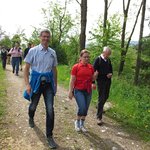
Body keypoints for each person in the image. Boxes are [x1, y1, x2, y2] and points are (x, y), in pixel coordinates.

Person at [23, 29, 58, 149]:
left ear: (50, 38)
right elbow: (26, 69)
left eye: (48, 37)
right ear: (40, 37)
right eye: (44, 36)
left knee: (50, 109)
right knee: (33, 106)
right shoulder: (33, 51)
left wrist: (55, 85)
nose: (46, 39)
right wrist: (27, 85)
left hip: (48, 84)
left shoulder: (52, 52)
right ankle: (31, 117)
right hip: (36, 83)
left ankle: (49, 136)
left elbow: (54, 70)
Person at [68, 49, 96, 132]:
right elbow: (72, 80)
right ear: (80, 57)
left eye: (88, 57)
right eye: (85, 57)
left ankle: (82, 124)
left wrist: (93, 83)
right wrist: (70, 91)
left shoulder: (91, 67)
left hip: (88, 90)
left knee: (86, 108)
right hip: (78, 90)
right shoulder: (76, 67)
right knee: (82, 107)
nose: (87, 59)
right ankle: (77, 121)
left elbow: (92, 79)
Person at [93, 46, 113, 126]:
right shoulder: (98, 60)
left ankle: (99, 106)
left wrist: (111, 74)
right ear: (104, 52)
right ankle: (99, 117)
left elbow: (111, 69)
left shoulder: (108, 60)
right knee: (101, 98)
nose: (108, 56)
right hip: (100, 81)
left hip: (108, 81)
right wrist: (93, 82)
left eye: (109, 54)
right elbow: (93, 71)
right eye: (107, 54)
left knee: (106, 96)